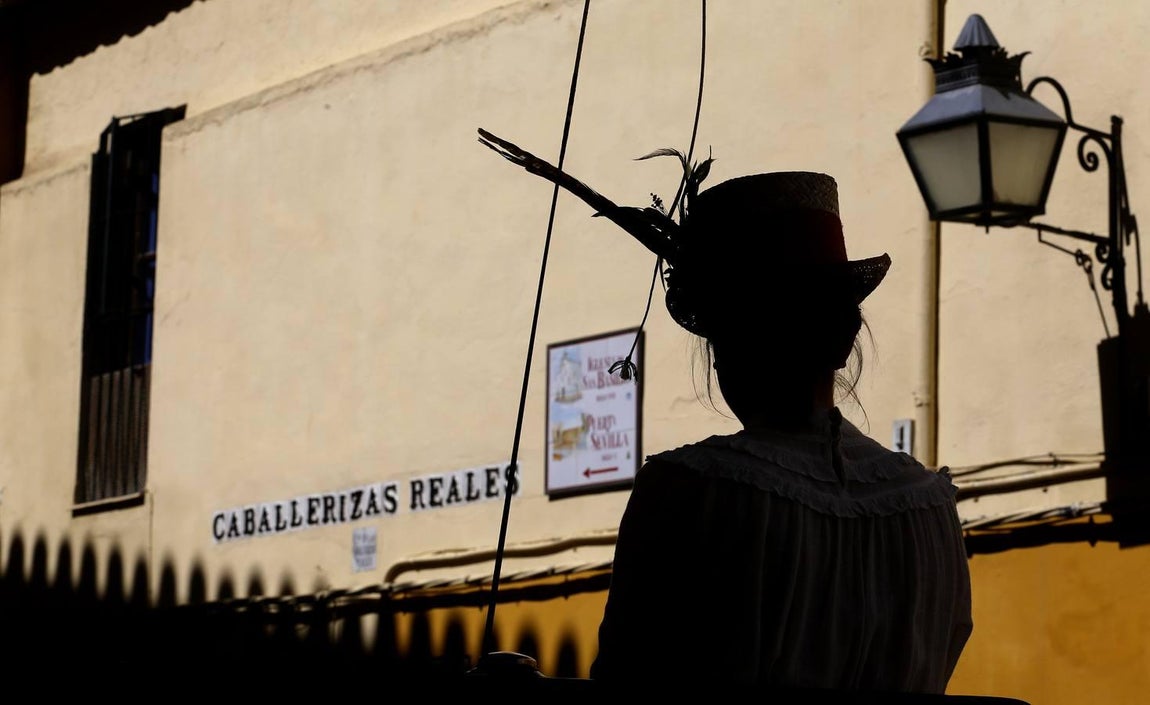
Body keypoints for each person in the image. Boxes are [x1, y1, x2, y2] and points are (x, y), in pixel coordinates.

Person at [477, 130, 973, 693]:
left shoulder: (693, 488)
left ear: (723, 340)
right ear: (842, 340)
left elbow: (627, 696)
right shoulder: (929, 510)